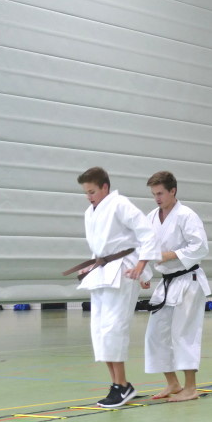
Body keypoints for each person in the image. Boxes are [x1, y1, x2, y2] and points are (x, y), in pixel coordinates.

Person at [69, 167, 157, 408]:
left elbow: (147, 234)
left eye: (92, 191)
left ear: (105, 187)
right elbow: (101, 246)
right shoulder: (90, 212)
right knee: (100, 329)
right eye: (86, 192)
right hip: (102, 272)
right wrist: (91, 265)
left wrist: (141, 266)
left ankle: (122, 385)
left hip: (122, 271)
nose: (89, 196)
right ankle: (118, 384)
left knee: (113, 328)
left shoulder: (120, 204)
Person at [142, 171, 211, 402]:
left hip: (188, 281)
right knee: (155, 334)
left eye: (160, 193)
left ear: (173, 191)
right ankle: (173, 383)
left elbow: (200, 247)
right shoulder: (151, 217)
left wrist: (170, 255)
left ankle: (191, 388)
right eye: (154, 194)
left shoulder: (186, 215)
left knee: (184, 334)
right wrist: (144, 272)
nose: (157, 198)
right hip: (167, 282)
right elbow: (145, 247)